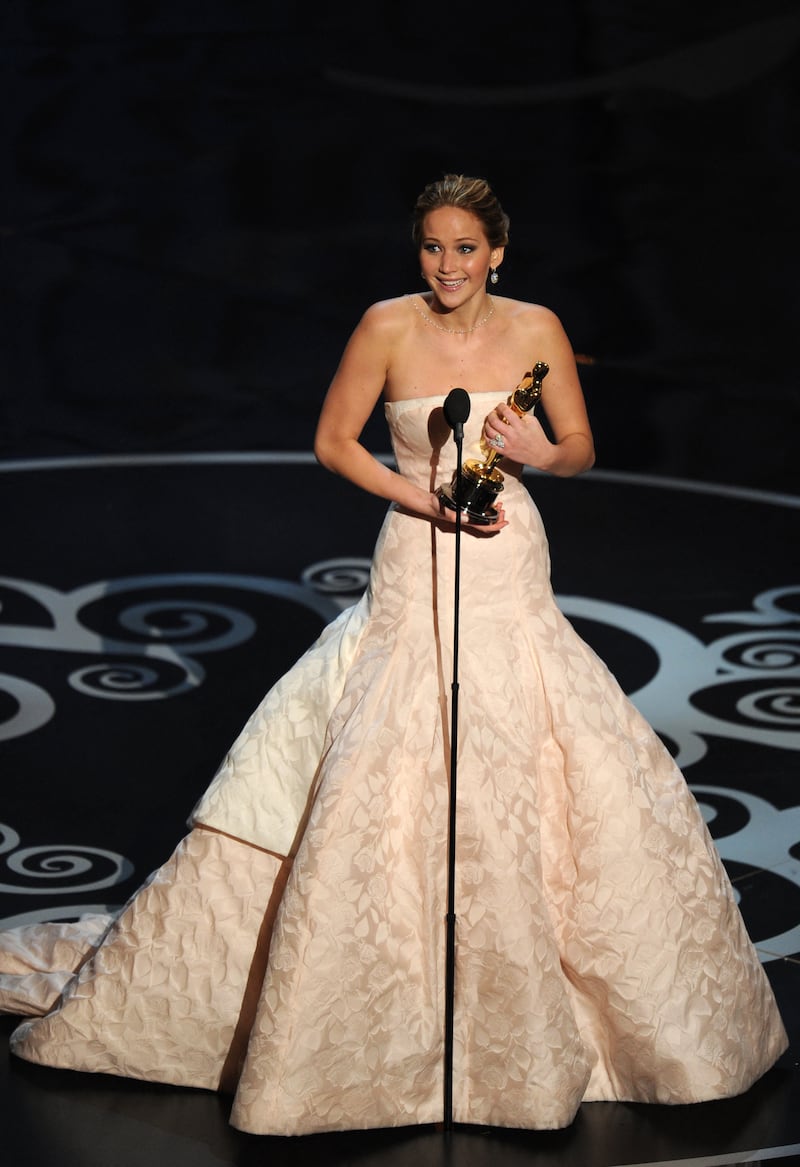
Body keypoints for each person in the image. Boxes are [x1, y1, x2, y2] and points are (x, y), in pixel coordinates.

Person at [0, 174, 787, 1136]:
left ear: (498, 251)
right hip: (419, 550)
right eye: (431, 247)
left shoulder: (538, 328)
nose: (447, 266)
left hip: (507, 555)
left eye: (465, 248)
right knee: (393, 739)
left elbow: (582, 446)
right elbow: (335, 443)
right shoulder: (385, 326)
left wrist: (536, 451)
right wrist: (421, 499)